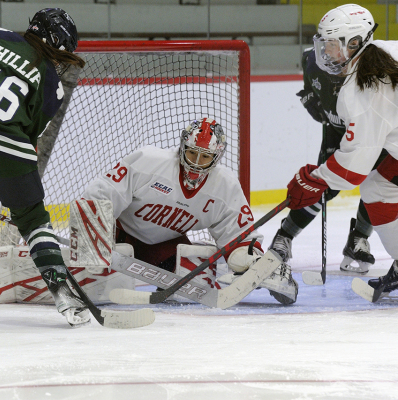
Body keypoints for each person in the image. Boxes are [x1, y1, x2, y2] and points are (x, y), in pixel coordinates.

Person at [83, 117, 299, 305]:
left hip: (162, 249)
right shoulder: (148, 162)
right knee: (93, 288)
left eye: (205, 157)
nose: (196, 163)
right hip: (118, 237)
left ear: (217, 157)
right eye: (192, 153)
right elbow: (100, 196)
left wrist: (254, 266)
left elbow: (238, 238)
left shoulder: (225, 187)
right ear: (182, 147)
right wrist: (92, 241)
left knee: (193, 288)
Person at [285, 3, 398, 296]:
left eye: (333, 45)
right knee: (379, 189)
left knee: (377, 188)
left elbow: (352, 168)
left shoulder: (363, 90)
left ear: (355, 42)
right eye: (325, 44)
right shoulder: (385, 50)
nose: (327, 52)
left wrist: (315, 179)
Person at [0, 8, 90, 326]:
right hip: (11, 146)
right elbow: (27, 136)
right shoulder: (53, 83)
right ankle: (62, 291)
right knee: (35, 220)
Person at [268, 43, 386, 275]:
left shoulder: (373, 68)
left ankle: (358, 239)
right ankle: (285, 236)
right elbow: (308, 61)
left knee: (379, 183)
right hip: (338, 131)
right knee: (322, 186)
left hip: (374, 133)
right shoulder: (315, 61)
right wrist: (309, 92)